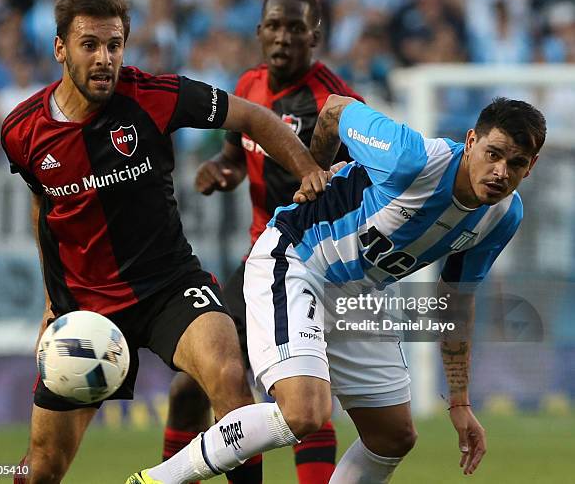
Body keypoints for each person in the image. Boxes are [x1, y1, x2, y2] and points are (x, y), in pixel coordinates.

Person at [0, 0, 328, 484]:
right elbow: (42, 205)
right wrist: (52, 305)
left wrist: (307, 169)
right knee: (41, 468)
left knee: (228, 376)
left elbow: (253, 117)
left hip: (169, 286)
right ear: (59, 49)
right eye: (90, 45)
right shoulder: (22, 131)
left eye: (115, 45)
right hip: (84, 308)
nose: (105, 58)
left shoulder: (155, 95)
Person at [130, 96, 546, 484]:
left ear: (530, 167)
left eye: (516, 163)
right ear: (471, 141)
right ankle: (158, 479)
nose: (500, 172)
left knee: (393, 436)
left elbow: (456, 301)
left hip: (359, 294)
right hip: (298, 259)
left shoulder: (503, 217)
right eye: (493, 154)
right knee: (305, 412)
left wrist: (459, 401)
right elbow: (334, 109)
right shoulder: (410, 158)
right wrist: (312, 172)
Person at [162, 0, 363, 484]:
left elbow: (364, 190)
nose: (282, 37)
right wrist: (220, 170)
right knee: (190, 384)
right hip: (261, 260)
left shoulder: (336, 104)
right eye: (274, 26)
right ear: (259, 32)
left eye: (295, 27)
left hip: (318, 264)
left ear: (314, 35)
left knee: (301, 394)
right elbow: (234, 157)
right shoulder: (248, 87)